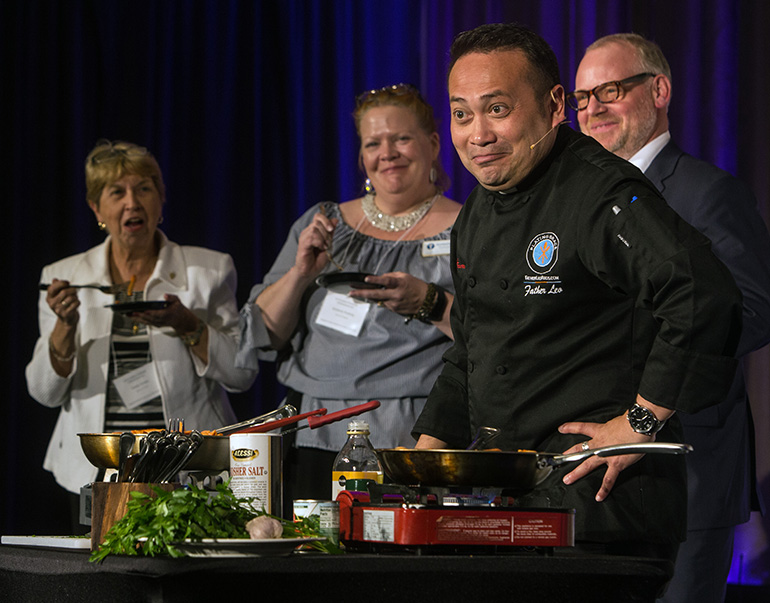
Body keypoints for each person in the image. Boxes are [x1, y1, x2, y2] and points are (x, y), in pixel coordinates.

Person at [412, 22, 743, 579]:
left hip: (602, 511)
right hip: (514, 504)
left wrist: (641, 421)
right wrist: (418, 466)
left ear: (554, 104)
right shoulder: (475, 213)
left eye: (497, 108)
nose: (478, 133)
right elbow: (469, 354)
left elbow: (702, 294)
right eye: (463, 114)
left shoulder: (600, 191)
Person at [572, 33, 770, 603]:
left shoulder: (708, 192)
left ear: (659, 90)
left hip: (687, 466)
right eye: (583, 99)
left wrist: (649, 401)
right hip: (592, 467)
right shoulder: (578, 199)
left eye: (609, 90)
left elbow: (753, 312)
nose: (594, 109)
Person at [237, 84, 461, 511]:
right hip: (312, 430)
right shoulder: (325, 222)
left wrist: (428, 301)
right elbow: (263, 333)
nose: (388, 152)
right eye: (373, 142)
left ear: (432, 144)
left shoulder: (468, 226)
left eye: (401, 138)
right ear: (362, 156)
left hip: (410, 435)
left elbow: (490, 335)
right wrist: (302, 272)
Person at [26, 140, 257, 528]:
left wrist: (188, 325)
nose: (132, 202)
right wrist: (66, 326)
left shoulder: (209, 271)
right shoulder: (64, 276)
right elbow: (44, 392)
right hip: (97, 472)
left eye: (144, 189)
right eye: (117, 192)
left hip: (187, 469)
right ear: (97, 209)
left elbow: (241, 374)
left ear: (161, 200)